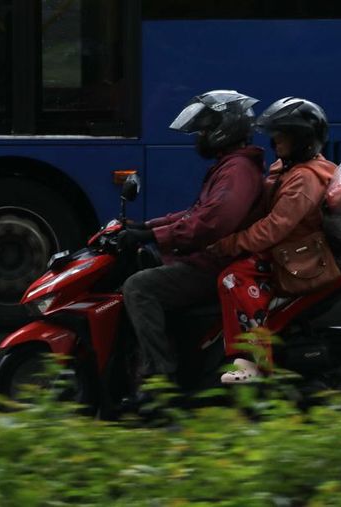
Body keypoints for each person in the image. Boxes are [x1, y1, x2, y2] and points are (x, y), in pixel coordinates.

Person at [119, 90, 265, 395]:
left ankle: (159, 379)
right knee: (140, 264)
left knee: (138, 287)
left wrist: (153, 237)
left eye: (206, 128)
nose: (200, 136)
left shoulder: (237, 171)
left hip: (212, 263)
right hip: (204, 258)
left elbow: (212, 223)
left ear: (224, 129)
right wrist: (147, 227)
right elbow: (195, 213)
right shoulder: (230, 166)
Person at [208, 97, 337, 383]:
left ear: (302, 139)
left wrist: (230, 243)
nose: (275, 139)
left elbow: (273, 228)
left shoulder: (305, 178)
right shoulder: (288, 168)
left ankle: (254, 366)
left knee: (233, 279)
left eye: (284, 134)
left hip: (294, 255)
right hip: (284, 250)